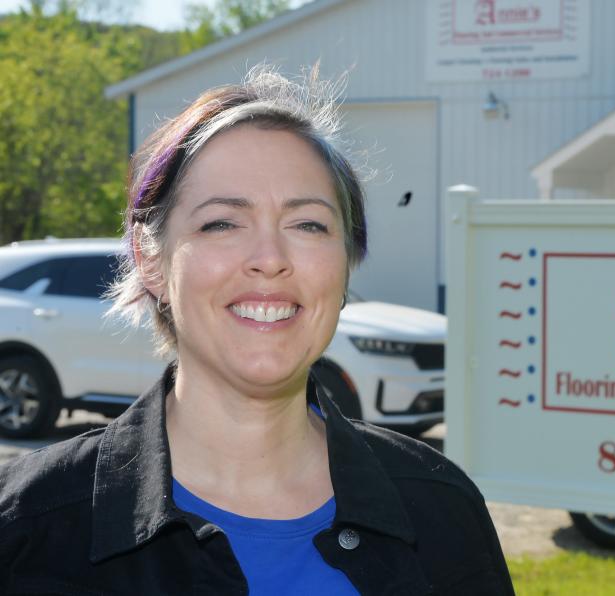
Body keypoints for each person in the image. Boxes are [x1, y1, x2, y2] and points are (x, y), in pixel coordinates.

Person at [0, 65, 514, 595]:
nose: (270, 259)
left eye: (308, 224)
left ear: (345, 263)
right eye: (221, 222)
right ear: (150, 260)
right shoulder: (24, 529)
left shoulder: (443, 508)